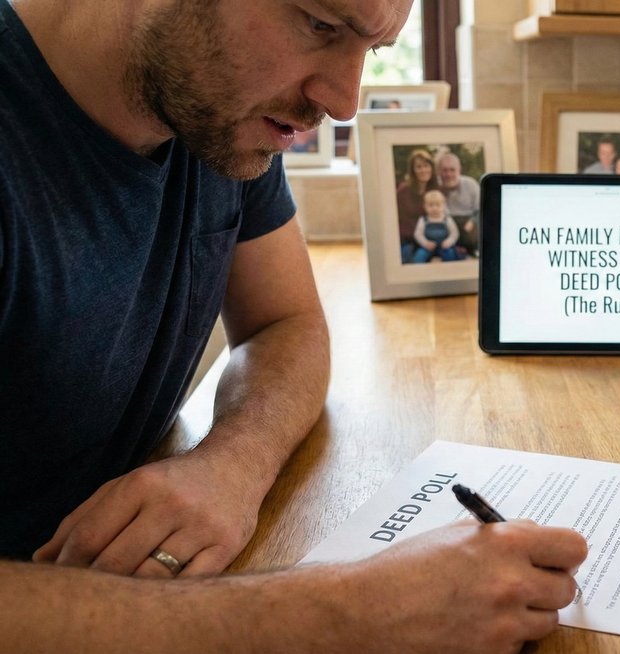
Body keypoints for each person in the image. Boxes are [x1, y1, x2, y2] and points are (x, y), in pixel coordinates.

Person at [0, 0, 587, 651]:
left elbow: (287, 321)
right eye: (320, 24)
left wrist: (233, 463)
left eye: (373, 50)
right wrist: (342, 616)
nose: (343, 101)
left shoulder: (215, 112)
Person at [395, 148, 438, 263]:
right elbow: (396, 220)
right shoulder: (403, 191)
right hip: (408, 240)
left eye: (426, 166)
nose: (423, 170)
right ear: (413, 170)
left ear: (431, 168)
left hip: (432, 240)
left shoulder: (435, 190)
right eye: (419, 167)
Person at [436, 151, 481, 257]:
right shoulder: (436, 186)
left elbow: (481, 208)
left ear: (459, 170)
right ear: (439, 171)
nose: (448, 174)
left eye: (452, 170)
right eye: (445, 170)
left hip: (468, 221)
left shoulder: (470, 184)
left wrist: (472, 221)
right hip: (446, 222)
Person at [411, 189, 460, 263]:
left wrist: (449, 242)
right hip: (428, 246)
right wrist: (425, 243)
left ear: (444, 206)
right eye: (431, 205)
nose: (434, 208)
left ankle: (449, 271)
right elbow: (418, 234)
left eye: (438, 205)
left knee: (450, 254)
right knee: (419, 256)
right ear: (425, 206)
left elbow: (454, 233)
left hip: (444, 246)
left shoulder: (447, 219)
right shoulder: (423, 219)